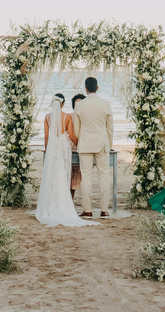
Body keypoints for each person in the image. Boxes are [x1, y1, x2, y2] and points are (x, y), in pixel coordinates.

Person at [33, 94, 94, 226]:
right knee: (63, 176)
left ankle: (50, 206)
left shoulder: (47, 117)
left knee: (52, 177)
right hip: (63, 151)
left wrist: (48, 151)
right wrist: (79, 143)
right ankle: (63, 205)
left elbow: (46, 137)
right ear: (63, 103)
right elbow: (71, 135)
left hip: (52, 151)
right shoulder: (66, 117)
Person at [74, 76, 113, 218]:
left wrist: (81, 139)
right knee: (104, 175)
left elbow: (76, 128)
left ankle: (88, 210)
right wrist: (109, 143)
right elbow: (110, 128)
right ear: (97, 87)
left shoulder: (79, 105)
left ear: (85, 88)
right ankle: (104, 209)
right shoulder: (105, 104)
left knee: (86, 176)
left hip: (84, 144)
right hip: (102, 143)